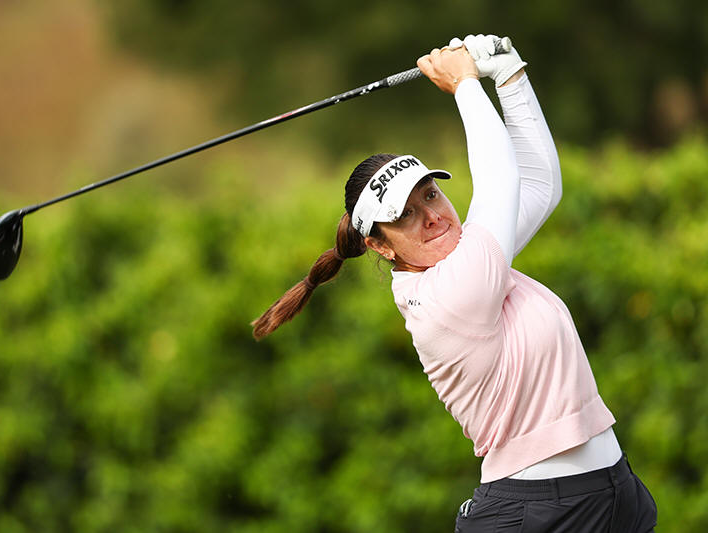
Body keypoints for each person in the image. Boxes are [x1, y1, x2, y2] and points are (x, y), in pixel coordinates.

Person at [252, 34, 657, 532]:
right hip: (537, 515)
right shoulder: (446, 295)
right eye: (404, 215)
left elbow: (539, 186)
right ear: (381, 246)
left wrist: (508, 75)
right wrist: (465, 83)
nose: (431, 216)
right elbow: (501, 182)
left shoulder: (475, 257)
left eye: (430, 195)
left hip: (614, 496)